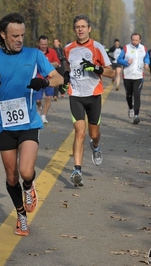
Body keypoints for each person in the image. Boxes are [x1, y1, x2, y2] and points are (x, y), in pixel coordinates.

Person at [0, 13, 63, 236]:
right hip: (5, 124)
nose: (19, 39)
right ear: (3, 35)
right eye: (14, 35)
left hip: (29, 121)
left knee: (25, 171)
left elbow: (58, 78)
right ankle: (21, 215)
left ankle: (30, 186)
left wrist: (43, 81)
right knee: (11, 176)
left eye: (22, 35)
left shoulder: (33, 55)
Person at [62, 14, 114, 187]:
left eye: (83, 26)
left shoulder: (97, 47)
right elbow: (68, 67)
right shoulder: (68, 48)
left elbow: (111, 72)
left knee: (93, 134)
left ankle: (96, 146)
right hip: (76, 95)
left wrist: (95, 68)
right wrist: (65, 79)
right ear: (74, 29)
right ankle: (77, 170)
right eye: (77, 27)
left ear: (89, 29)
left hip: (93, 95)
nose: (80, 29)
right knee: (79, 132)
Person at [117, 33, 150, 124]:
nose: (134, 42)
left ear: (140, 40)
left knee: (137, 94)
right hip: (127, 75)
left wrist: (147, 63)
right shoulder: (126, 48)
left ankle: (136, 115)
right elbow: (119, 60)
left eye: (136, 40)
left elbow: (146, 57)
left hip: (139, 76)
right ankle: (130, 108)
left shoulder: (143, 48)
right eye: (133, 40)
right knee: (129, 95)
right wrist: (126, 62)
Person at [36, 35, 60, 124]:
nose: (44, 46)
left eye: (45, 44)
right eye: (42, 44)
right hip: (38, 79)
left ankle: (43, 116)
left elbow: (57, 63)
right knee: (37, 100)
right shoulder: (35, 52)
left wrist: (46, 64)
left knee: (48, 98)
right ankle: (39, 107)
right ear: (39, 44)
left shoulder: (52, 52)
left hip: (50, 79)